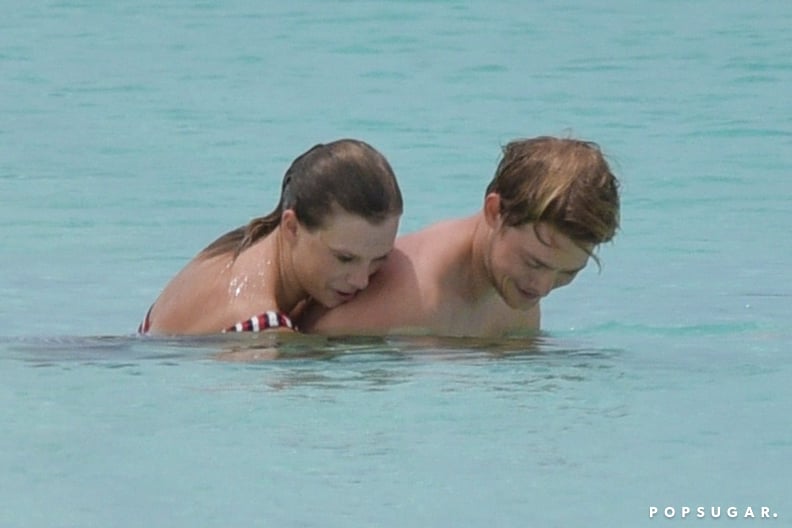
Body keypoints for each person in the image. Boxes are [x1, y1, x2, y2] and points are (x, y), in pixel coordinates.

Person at [299, 136, 620, 338]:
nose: (543, 287)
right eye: (534, 262)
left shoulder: (515, 295)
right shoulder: (408, 299)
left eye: (567, 272)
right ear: (495, 212)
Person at [138, 139, 403, 335]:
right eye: (345, 258)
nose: (362, 281)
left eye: (378, 259)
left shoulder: (232, 249)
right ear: (291, 227)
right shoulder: (266, 334)